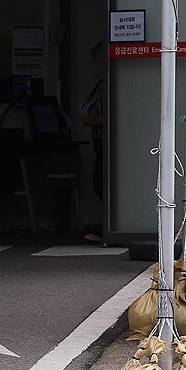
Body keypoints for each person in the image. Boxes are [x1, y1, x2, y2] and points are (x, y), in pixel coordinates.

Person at [78, 41, 107, 242]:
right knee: (98, 183)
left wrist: (100, 120)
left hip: (109, 140)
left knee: (102, 183)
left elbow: (119, 110)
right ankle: (107, 225)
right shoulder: (101, 83)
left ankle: (109, 227)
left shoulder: (114, 81)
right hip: (98, 140)